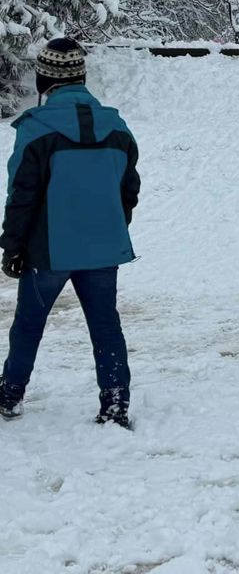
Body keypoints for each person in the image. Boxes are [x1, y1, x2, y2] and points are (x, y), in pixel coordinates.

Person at [0, 39, 140, 426]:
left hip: (49, 250)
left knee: (29, 323)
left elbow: (22, 196)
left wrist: (12, 246)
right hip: (102, 247)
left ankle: (10, 395)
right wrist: (112, 227)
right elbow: (129, 190)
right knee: (106, 325)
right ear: (82, 76)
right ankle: (115, 403)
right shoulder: (117, 126)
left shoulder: (36, 129)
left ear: (44, 77)